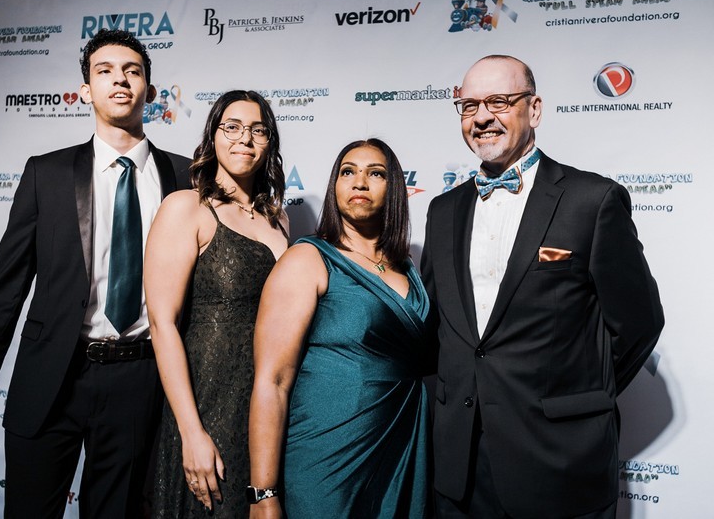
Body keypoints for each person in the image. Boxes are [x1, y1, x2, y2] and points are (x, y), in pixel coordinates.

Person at [0, 29, 191, 518]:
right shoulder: (47, 173)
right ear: (85, 91)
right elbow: (5, 290)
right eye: (105, 71)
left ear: (149, 90)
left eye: (132, 71)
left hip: (140, 380)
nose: (120, 80)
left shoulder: (187, 178)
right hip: (51, 377)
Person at [421, 55, 664, 518]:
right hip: (460, 470)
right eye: (470, 105)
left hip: (560, 464)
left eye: (499, 101)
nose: (482, 117)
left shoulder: (592, 200)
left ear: (534, 110)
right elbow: (444, 330)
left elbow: (639, 324)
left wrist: (575, 400)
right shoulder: (442, 210)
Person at [248, 139, 432, 518]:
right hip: (329, 454)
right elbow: (272, 381)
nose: (359, 182)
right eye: (348, 171)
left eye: (375, 173)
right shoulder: (307, 259)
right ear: (335, 185)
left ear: (395, 188)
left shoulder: (408, 267)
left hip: (403, 445)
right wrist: (263, 494)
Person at [145, 90, 288, 518]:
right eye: (232, 127)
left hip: (263, 402)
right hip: (205, 402)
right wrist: (191, 431)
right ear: (213, 136)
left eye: (258, 130)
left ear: (269, 142)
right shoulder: (187, 207)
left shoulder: (279, 217)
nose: (245, 138)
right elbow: (162, 324)